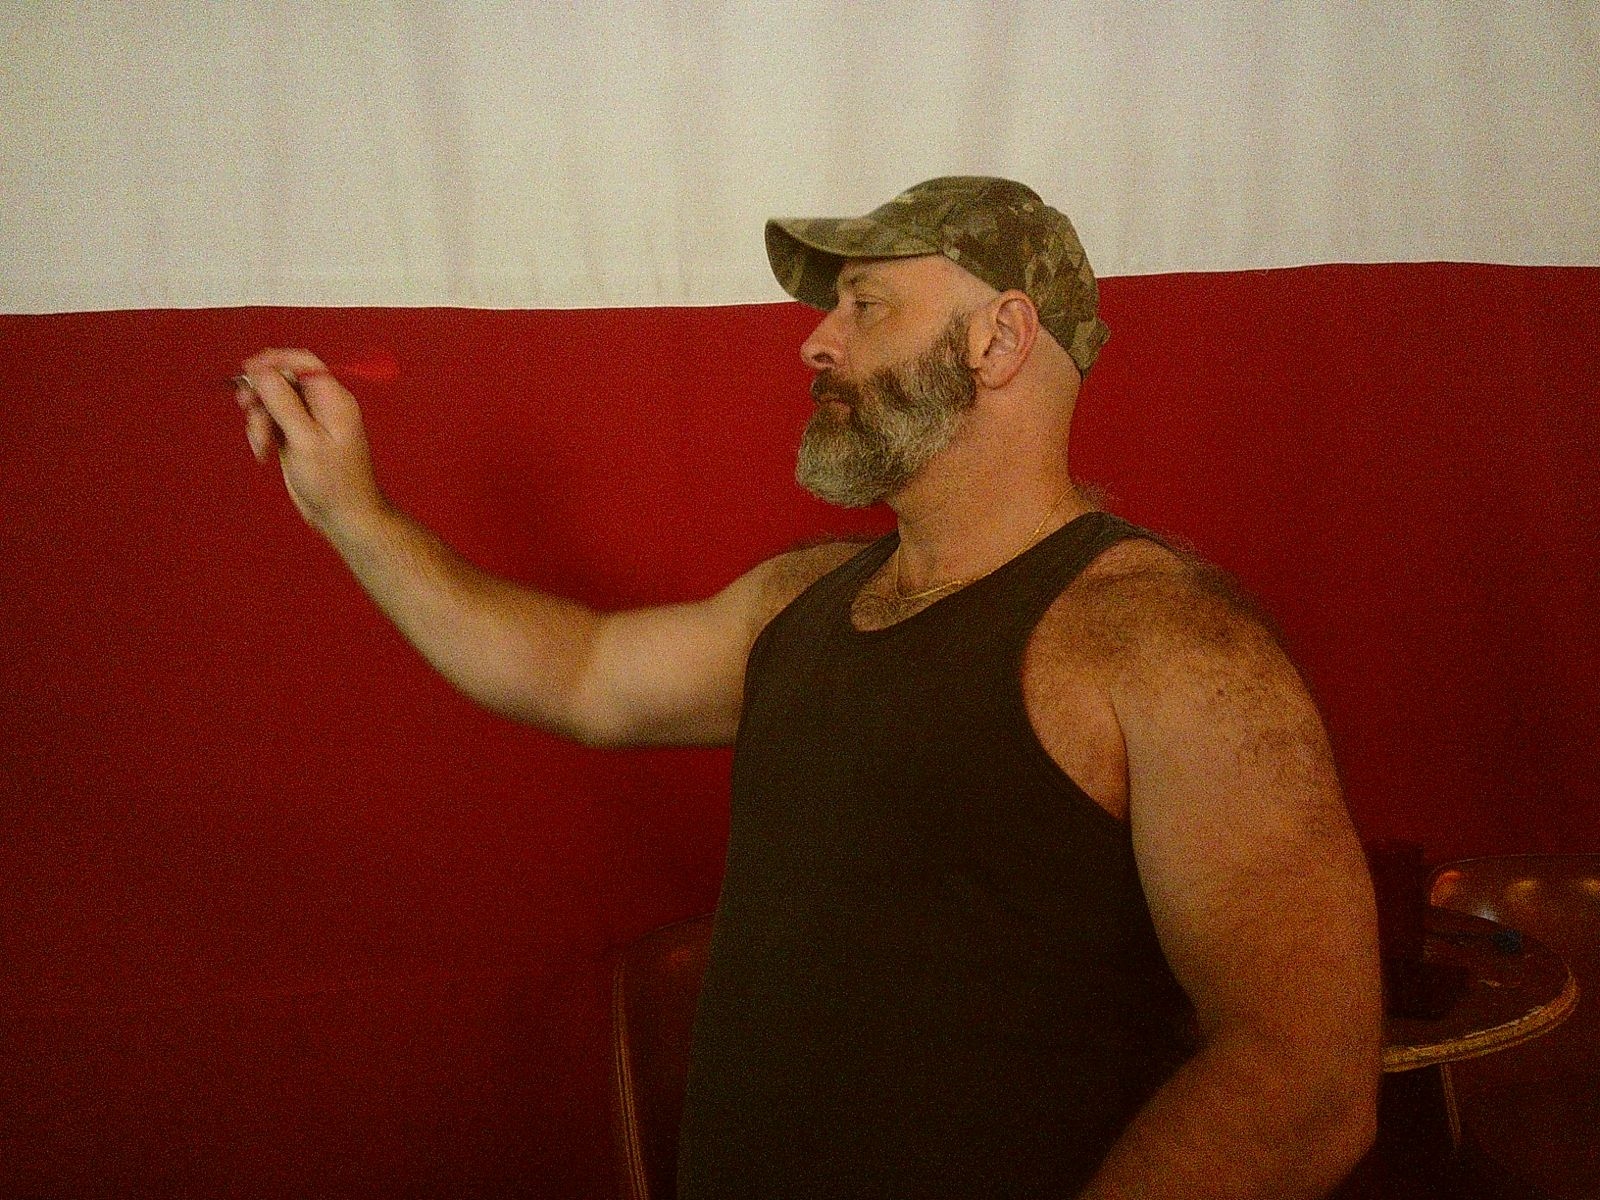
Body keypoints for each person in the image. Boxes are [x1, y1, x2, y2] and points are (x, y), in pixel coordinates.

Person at [236, 176, 1382, 1198]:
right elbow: (581, 675)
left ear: (998, 338)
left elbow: (1303, 1083)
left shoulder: (1170, 641)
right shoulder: (800, 600)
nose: (816, 344)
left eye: (866, 306)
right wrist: (354, 513)